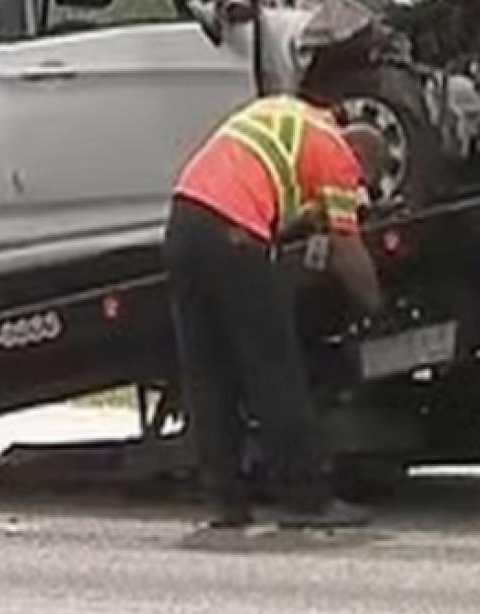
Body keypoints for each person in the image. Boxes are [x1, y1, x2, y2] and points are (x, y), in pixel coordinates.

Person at [163, 92, 387, 530]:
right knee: (273, 367)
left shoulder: (288, 113)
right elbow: (346, 250)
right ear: (361, 155)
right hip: (234, 232)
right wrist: (376, 305)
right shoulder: (338, 155)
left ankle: (225, 499)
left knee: (209, 370)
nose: (357, 192)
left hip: (183, 223)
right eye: (364, 183)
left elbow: (276, 189)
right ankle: (306, 498)